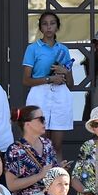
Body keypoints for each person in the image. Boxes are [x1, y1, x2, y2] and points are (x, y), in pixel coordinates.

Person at [22, 11, 75, 158]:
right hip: (40, 95)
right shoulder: (32, 48)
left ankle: (59, 179)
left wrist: (65, 71)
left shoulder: (63, 49)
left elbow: (71, 84)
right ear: (40, 28)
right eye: (45, 24)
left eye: (52, 23)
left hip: (60, 95)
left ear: (57, 27)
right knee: (40, 143)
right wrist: (49, 79)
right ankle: (40, 179)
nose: (49, 27)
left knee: (56, 145)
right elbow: (26, 80)